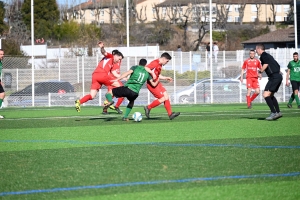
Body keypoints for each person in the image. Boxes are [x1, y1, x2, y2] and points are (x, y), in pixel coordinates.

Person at [144, 52, 180, 120]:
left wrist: (166, 77)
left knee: (166, 96)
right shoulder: (155, 62)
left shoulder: (160, 65)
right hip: (152, 85)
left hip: (157, 83)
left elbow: (158, 75)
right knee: (163, 98)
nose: (167, 63)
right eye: (167, 61)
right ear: (163, 59)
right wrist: (152, 73)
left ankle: (170, 114)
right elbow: (146, 68)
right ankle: (148, 107)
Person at [255, 44, 283, 120]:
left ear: (258, 49)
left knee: (265, 94)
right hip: (278, 76)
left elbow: (266, 64)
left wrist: (260, 72)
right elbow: (277, 65)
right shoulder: (269, 56)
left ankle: (273, 112)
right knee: (270, 95)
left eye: (256, 49)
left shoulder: (263, 55)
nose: (256, 51)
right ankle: (278, 112)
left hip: (274, 77)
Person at [98, 41, 124, 114]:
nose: (119, 60)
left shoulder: (118, 61)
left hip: (112, 80)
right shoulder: (110, 58)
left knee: (110, 96)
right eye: (119, 58)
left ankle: (105, 110)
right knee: (123, 92)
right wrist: (122, 77)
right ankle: (116, 106)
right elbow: (104, 53)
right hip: (112, 80)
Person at [0, 49, 4, 119]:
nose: (2, 55)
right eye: (0, 54)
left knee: (2, 94)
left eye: (3, 54)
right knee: (2, 94)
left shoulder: (0, 62)